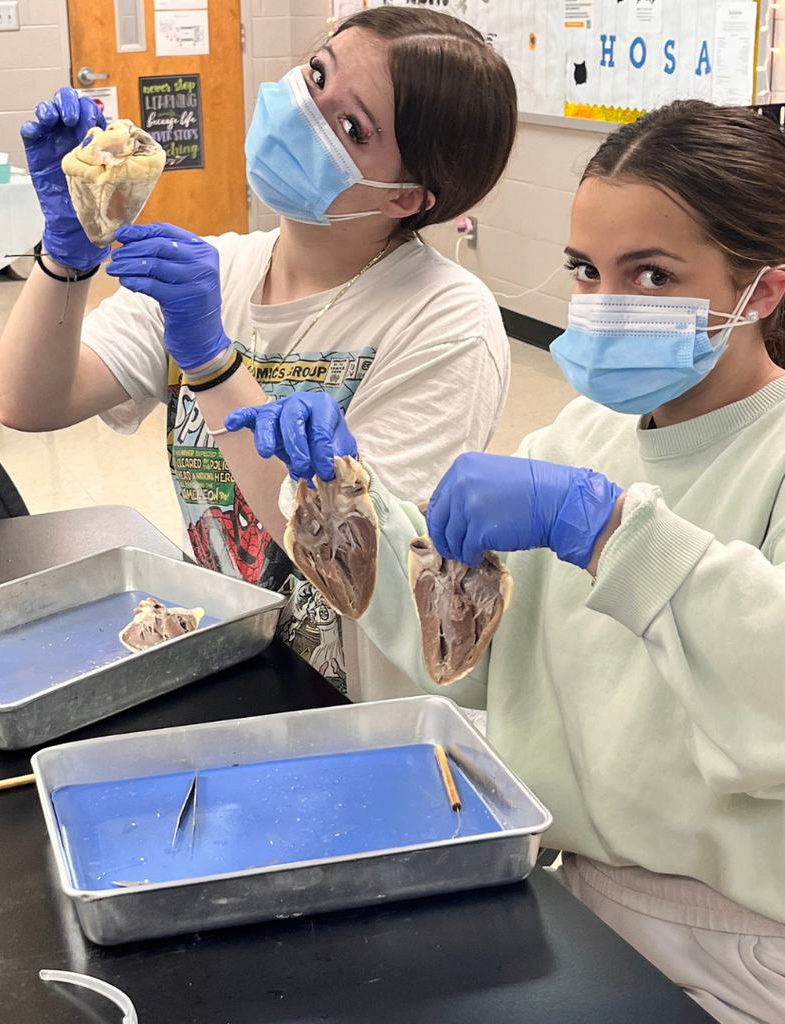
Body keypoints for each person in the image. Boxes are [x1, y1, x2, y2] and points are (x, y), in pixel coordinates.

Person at [229, 100, 785, 1024]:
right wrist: (341, 498)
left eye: (652, 275)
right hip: (578, 895)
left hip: (742, 945)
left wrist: (611, 534)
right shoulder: (584, 436)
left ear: (762, 289)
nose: (608, 307)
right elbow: (475, 650)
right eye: (588, 271)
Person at [0, 7, 518, 699]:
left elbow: (352, 565)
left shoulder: (447, 320)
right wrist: (67, 251)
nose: (305, 112)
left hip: (353, 714)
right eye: (316, 75)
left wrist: (212, 364)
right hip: (225, 674)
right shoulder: (219, 270)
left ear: (408, 198)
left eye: (352, 127)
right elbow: (30, 402)